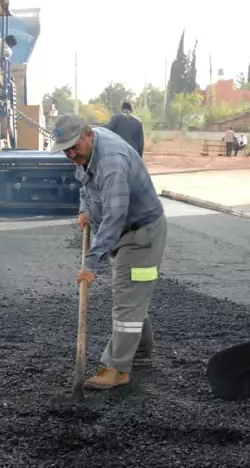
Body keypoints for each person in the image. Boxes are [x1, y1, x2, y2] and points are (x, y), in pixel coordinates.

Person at [51, 114, 167, 391]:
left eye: (73, 147)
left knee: (127, 297)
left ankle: (117, 368)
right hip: (127, 233)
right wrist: (85, 210)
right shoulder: (88, 151)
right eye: (65, 149)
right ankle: (139, 349)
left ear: (88, 134)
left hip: (140, 236)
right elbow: (86, 183)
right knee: (131, 292)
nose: (70, 153)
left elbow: (115, 217)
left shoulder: (111, 163)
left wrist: (91, 262)